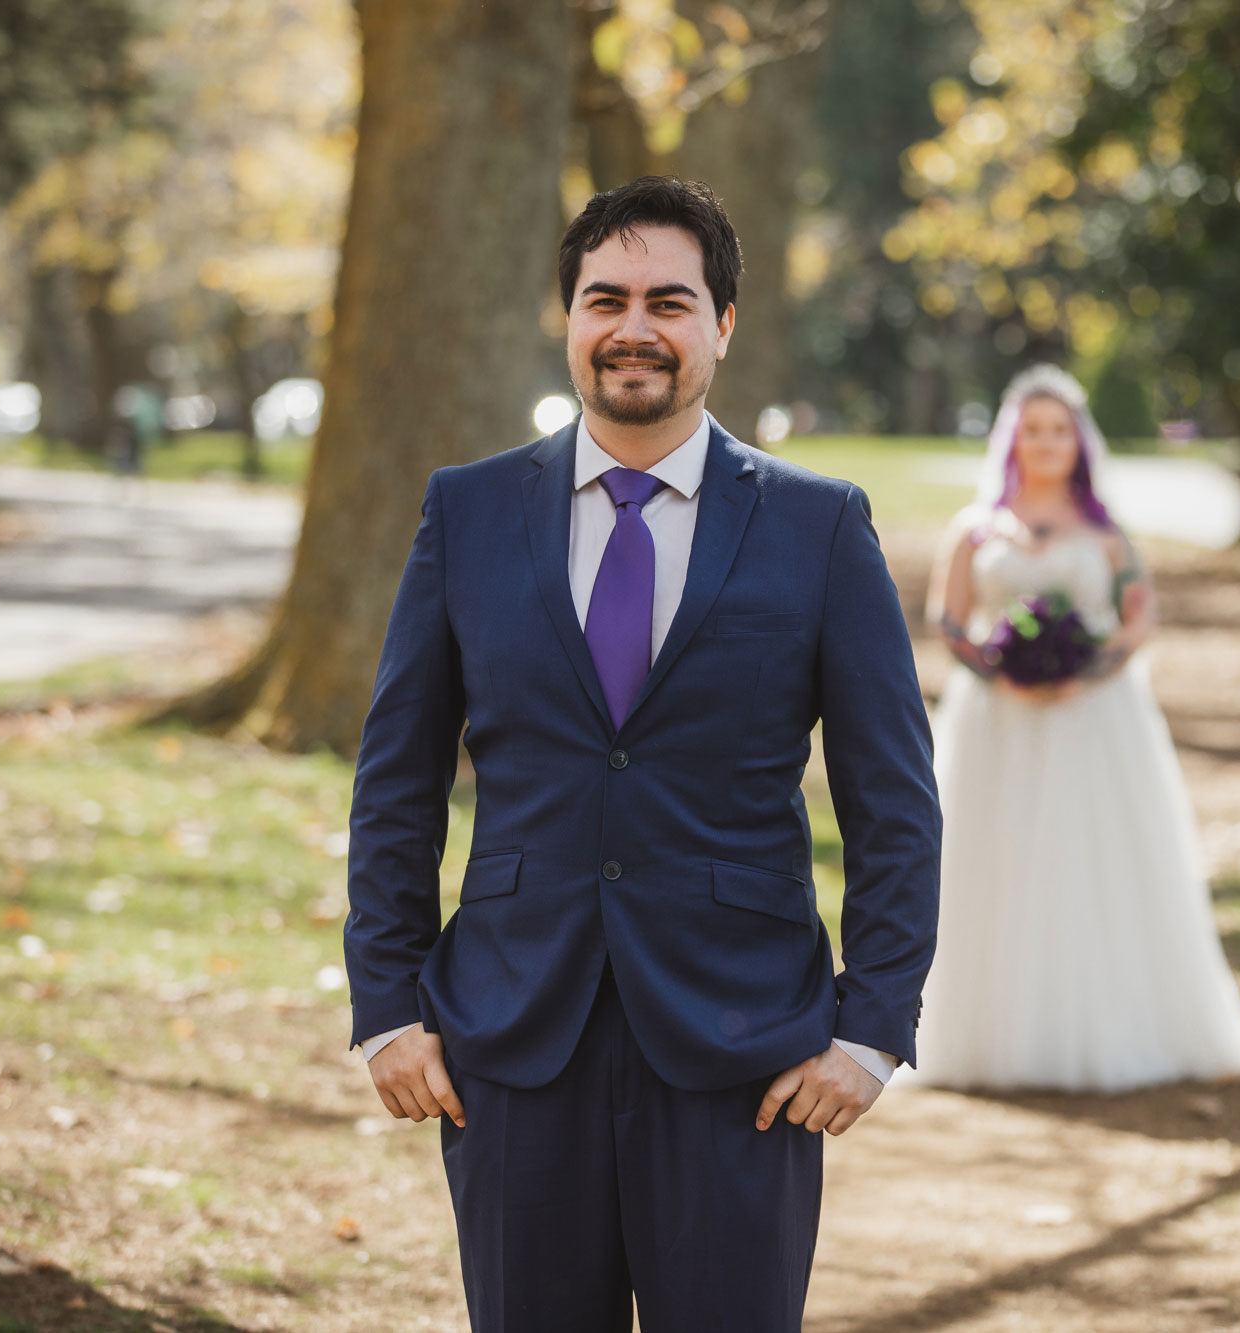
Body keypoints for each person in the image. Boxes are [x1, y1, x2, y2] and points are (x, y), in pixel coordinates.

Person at [342, 177, 940, 1332]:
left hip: (743, 1054)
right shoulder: (463, 514)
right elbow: (396, 783)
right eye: (603, 299)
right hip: (508, 1042)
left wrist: (870, 1029)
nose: (633, 329)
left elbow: (894, 805)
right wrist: (385, 1003)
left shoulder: (820, 526)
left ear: (722, 325)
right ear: (565, 318)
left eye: (669, 301)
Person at [910, 364, 1240, 1092]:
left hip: (1093, 721)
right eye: (1033, 430)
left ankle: (1106, 1022)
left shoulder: (1107, 532)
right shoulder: (976, 529)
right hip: (998, 722)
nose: (1047, 442)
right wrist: (1005, 674)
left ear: (1079, 442)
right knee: (995, 856)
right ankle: (990, 1031)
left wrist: (1082, 675)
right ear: (1012, 439)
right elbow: (947, 617)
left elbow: (1139, 617)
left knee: (1091, 857)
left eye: (1059, 430)